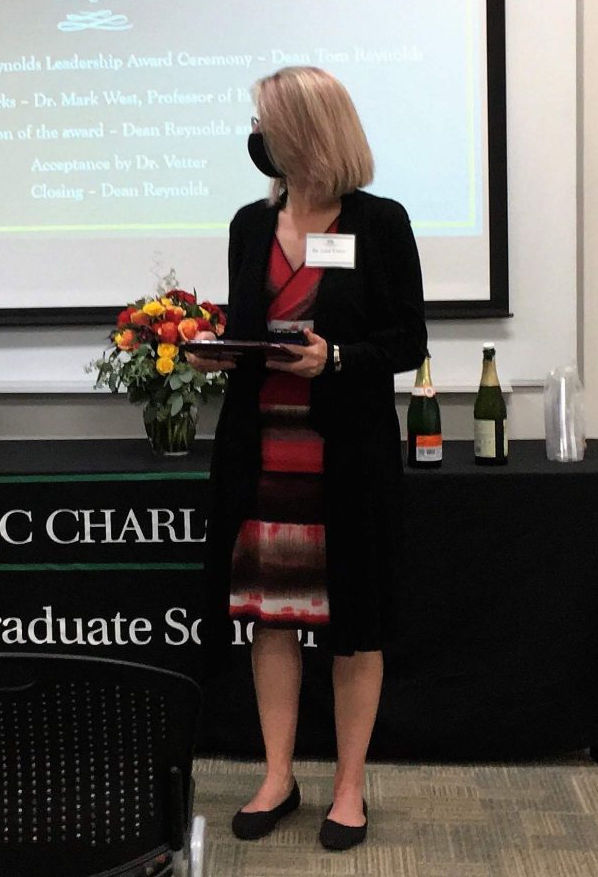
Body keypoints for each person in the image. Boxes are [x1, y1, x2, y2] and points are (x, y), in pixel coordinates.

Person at [188, 67, 426, 852]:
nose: (255, 136)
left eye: (265, 121)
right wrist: (220, 352)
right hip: (263, 456)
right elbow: (251, 328)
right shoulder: (250, 226)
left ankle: (349, 787)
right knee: (272, 620)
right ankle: (278, 774)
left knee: (354, 628)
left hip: (345, 459)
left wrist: (338, 360)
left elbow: (406, 342)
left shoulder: (381, 222)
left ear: (304, 132)